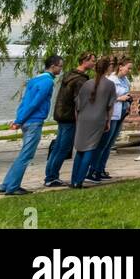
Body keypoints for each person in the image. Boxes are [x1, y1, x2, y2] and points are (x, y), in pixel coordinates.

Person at [0, 54, 63, 195]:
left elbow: (25, 101)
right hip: (34, 121)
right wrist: (19, 120)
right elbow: (35, 103)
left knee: (23, 154)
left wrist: (19, 118)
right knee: (26, 155)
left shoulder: (34, 80)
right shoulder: (48, 82)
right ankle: (13, 187)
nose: (61, 69)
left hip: (27, 120)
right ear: (53, 66)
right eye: (60, 66)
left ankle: (6, 184)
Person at [45, 52, 94, 187]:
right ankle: (51, 177)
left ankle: (50, 175)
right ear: (85, 61)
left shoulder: (69, 75)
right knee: (63, 148)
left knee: (58, 147)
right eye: (92, 61)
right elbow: (79, 101)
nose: (94, 63)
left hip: (61, 114)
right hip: (70, 117)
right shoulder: (80, 80)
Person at [71, 58, 115, 189]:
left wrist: (78, 119)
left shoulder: (87, 83)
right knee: (90, 148)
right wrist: (108, 121)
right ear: (107, 69)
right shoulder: (110, 85)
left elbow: (77, 105)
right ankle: (79, 180)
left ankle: (74, 180)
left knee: (80, 149)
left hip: (83, 118)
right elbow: (110, 106)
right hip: (98, 119)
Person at [88, 58, 133, 181]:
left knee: (109, 145)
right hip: (111, 115)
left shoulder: (125, 81)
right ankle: (92, 170)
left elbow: (126, 94)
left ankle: (101, 169)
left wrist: (128, 104)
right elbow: (104, 99)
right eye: (128, 68)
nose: (129, 71)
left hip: (121, 114)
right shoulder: (111, 80)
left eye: (130, 69)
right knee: (103, 143)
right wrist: (120, 99)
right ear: (121, 66)